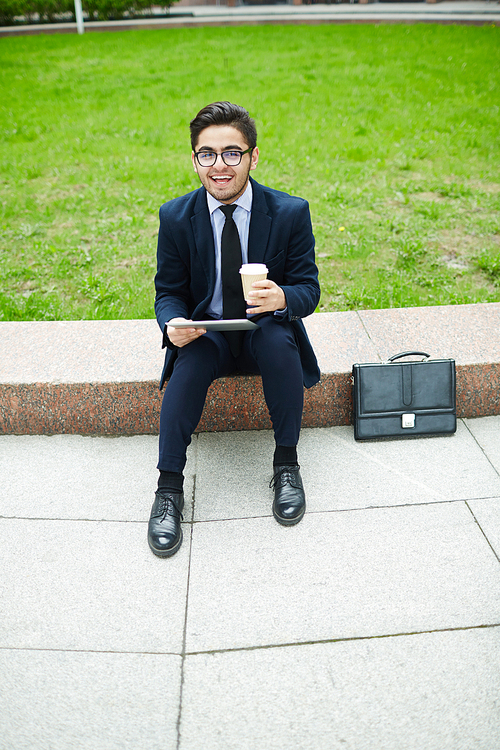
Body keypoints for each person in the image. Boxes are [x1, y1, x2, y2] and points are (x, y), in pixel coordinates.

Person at [149, 101, 320, 557]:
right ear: (194, 160)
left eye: (231, 153)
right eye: (207, 154)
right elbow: (168, 291)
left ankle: (286, 464)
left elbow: (309, 288)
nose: (219, 165)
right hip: (211, 333)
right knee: (191, 360)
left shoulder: (288, 212)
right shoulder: (175, 217)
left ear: (253, 157)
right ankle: (168, 490)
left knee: (278, 341)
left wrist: (284, 298)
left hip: (266, 329)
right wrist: (173, 323)